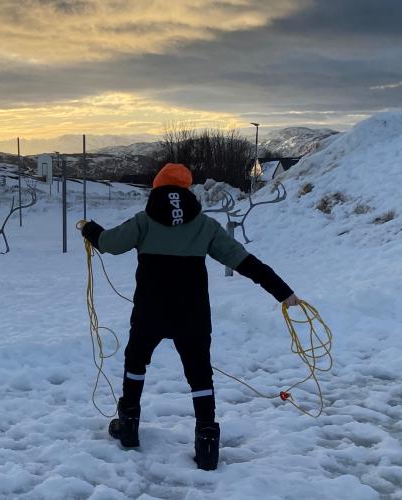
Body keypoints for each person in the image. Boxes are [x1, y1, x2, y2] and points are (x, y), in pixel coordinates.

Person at [78, 163, 299, 471]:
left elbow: (108, 244)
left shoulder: (144, 221)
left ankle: (128, 424)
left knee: (136, 361)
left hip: (149, 311)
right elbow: (245, 261)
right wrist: (283, 292)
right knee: (199, 373)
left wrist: (88, 229)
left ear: (157, 189)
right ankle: (207, 440)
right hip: (192, 314)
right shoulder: (204, 225)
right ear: (186, 191)